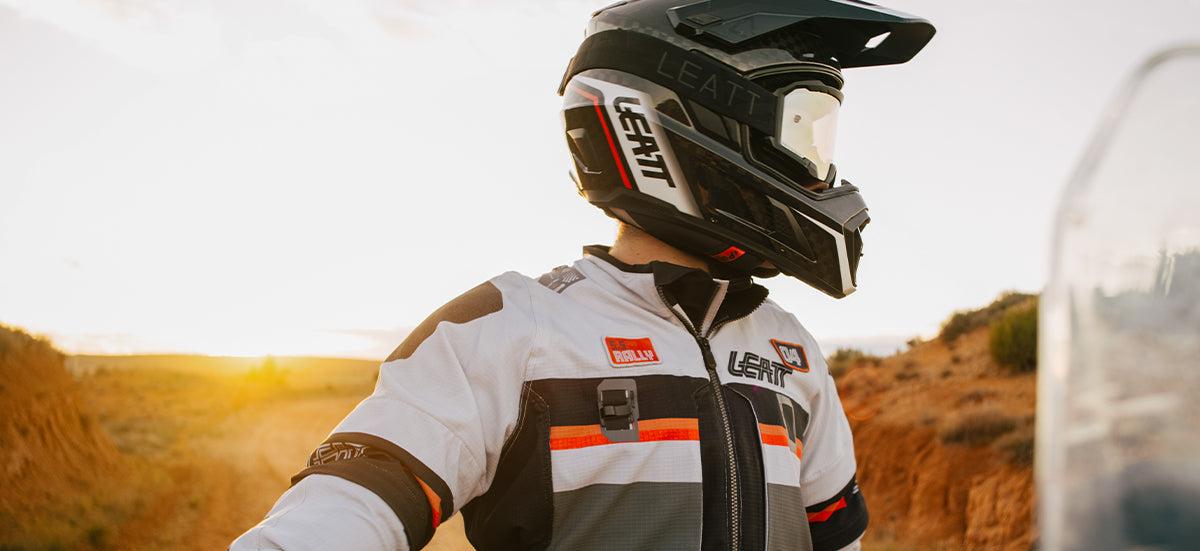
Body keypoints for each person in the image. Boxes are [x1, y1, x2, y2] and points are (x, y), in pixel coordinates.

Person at [230, 1, 934, 549]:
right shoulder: (512, 326)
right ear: (690, 120)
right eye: (801, 129)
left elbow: (835, 538)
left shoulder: (794, 349)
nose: (820, 170)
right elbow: (353, 499)